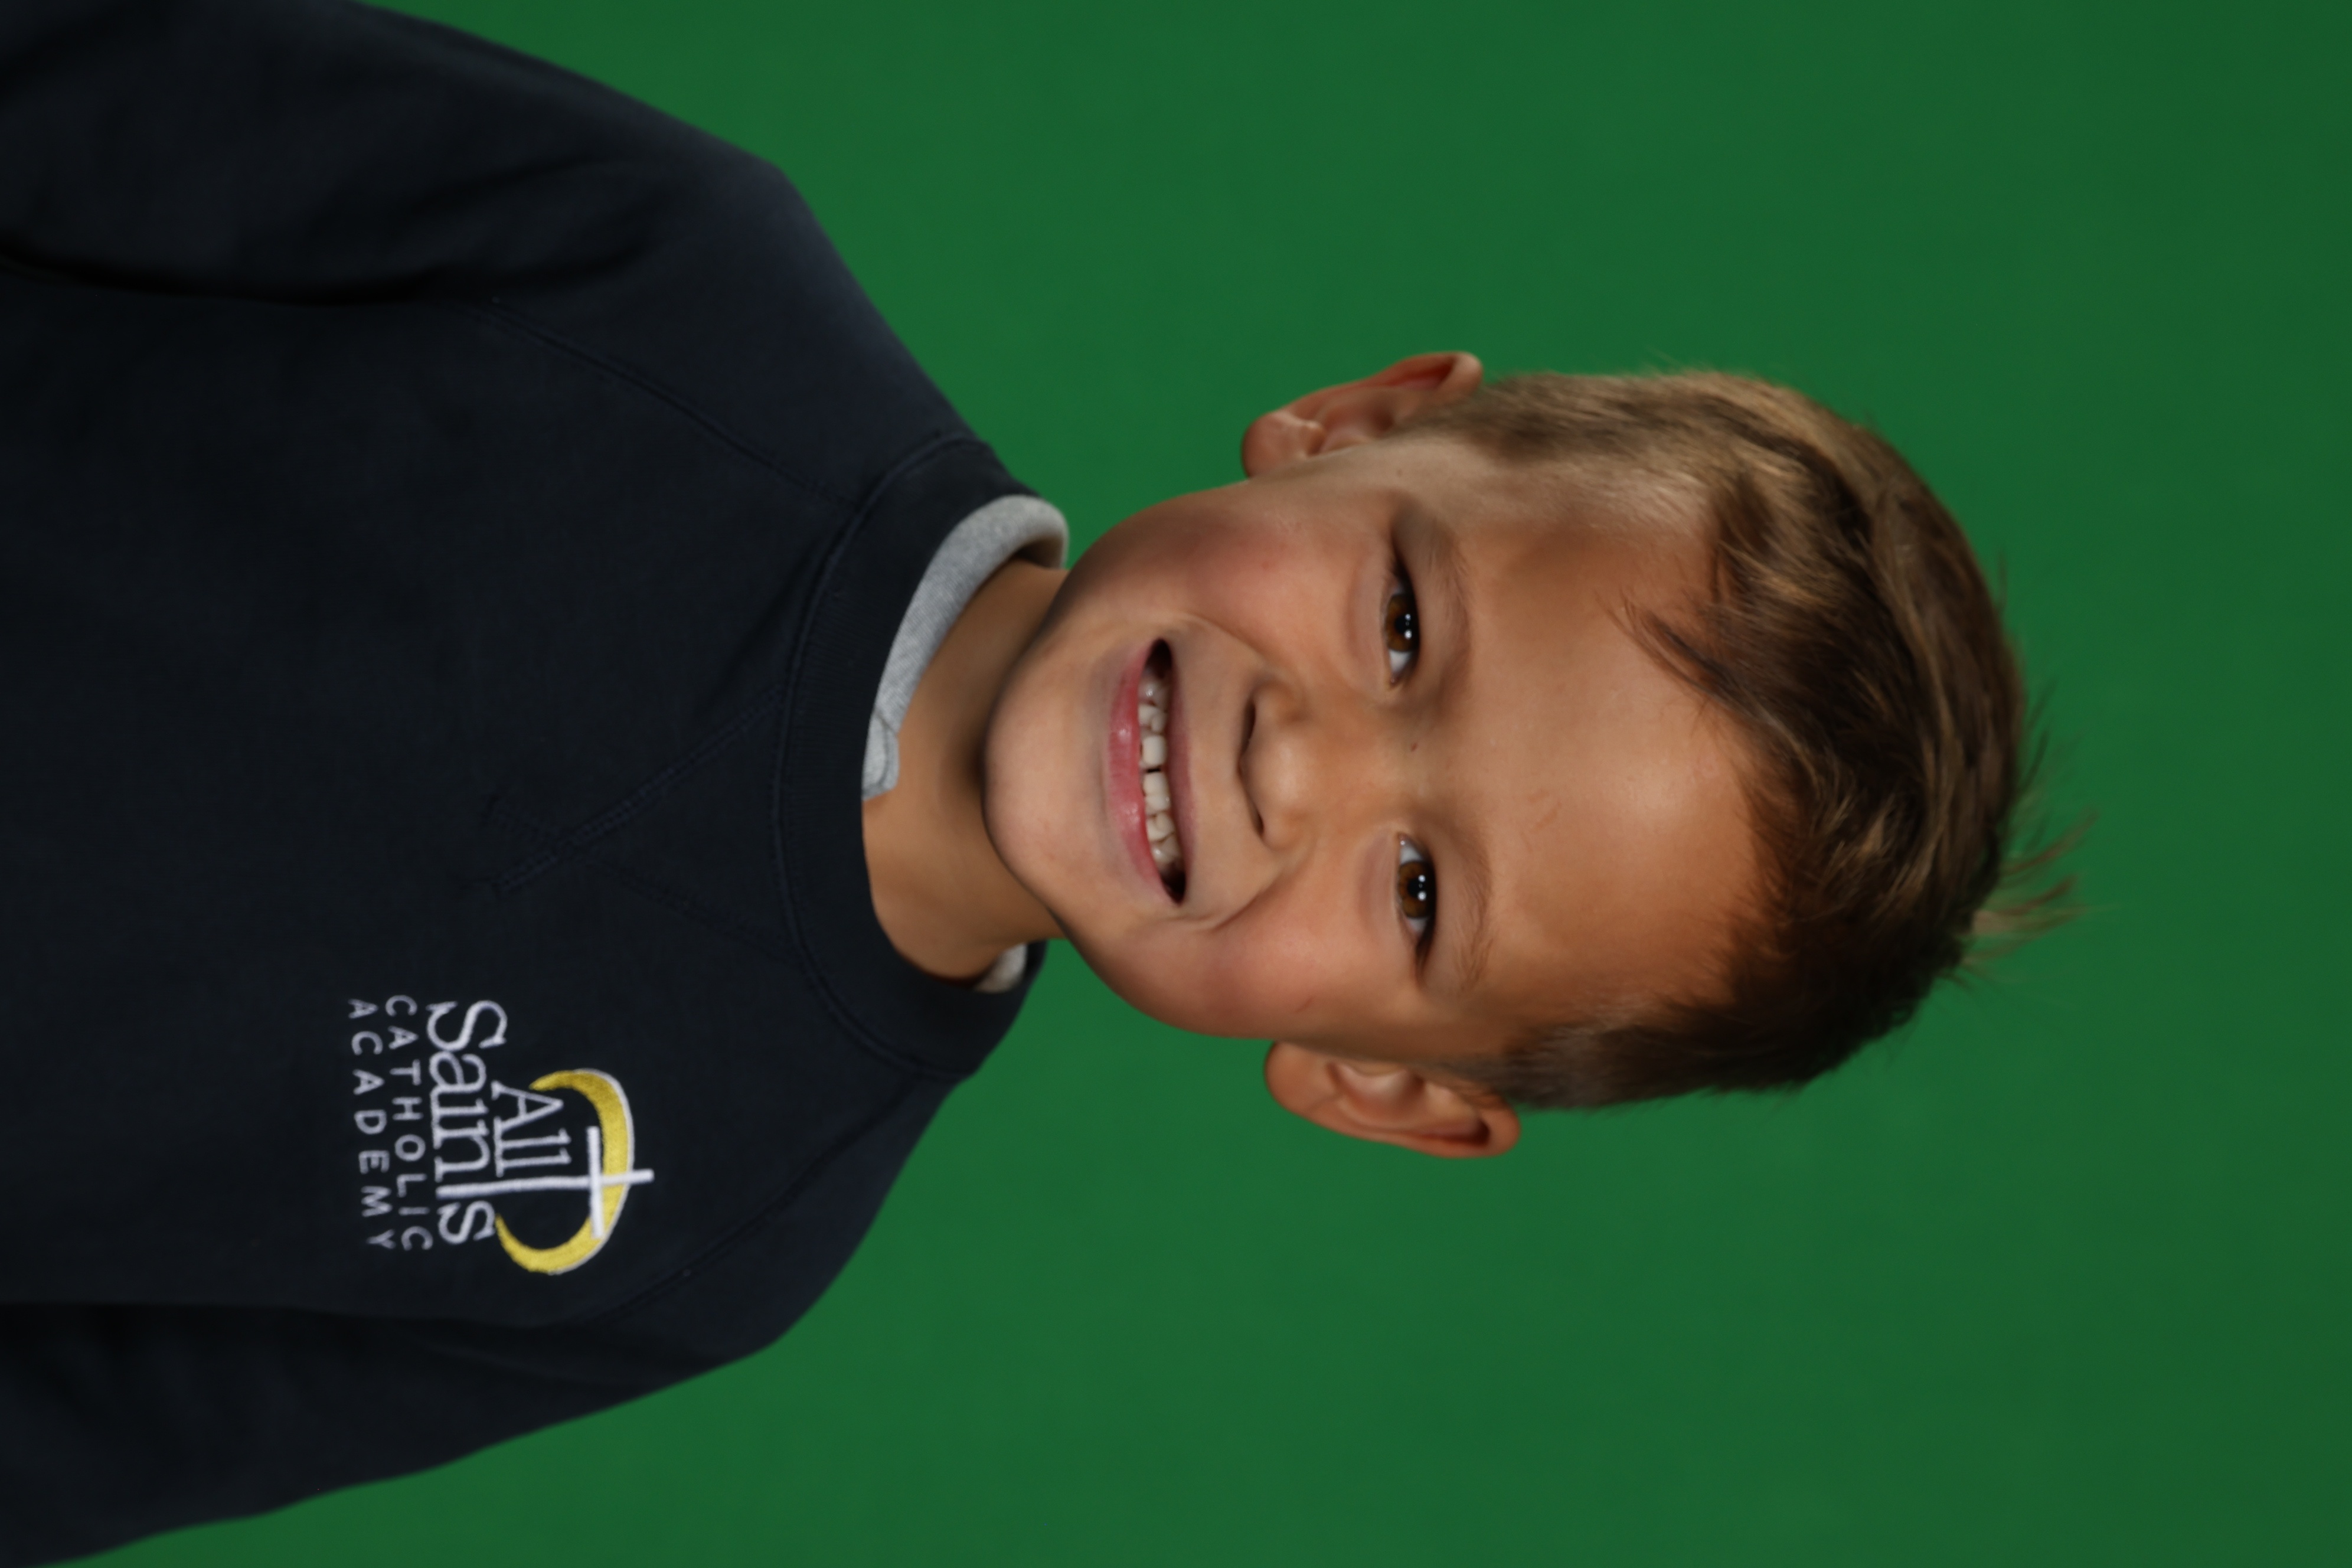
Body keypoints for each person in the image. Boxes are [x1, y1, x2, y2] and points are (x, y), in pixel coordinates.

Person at [0, 0, 2052, 1562]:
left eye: (1423, 890)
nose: (1298, 762)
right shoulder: (667, 280)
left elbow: (66, 1437)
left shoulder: (710, 1247)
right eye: (1404, 624)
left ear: (1381, 1082)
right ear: (1355, 427)